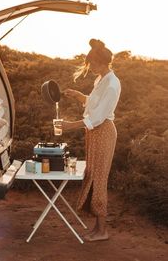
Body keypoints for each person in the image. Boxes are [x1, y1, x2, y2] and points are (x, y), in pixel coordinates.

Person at [61, 39, 121, 242]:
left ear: (104, 63)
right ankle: (97, 228)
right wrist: (79, 96)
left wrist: (69, 125)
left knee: (99, 178)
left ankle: (102, 230)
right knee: (92, 175)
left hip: (102, 131)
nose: (91, 68)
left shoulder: (112, 84)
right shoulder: (101, 79)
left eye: (93, 64)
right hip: (95, 132)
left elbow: (98, 117)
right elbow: (95, 104)